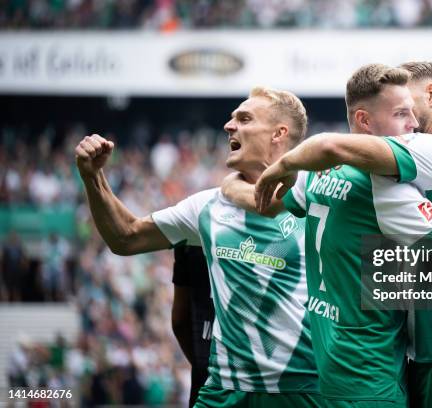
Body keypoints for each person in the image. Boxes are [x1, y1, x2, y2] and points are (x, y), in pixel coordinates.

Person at [224, 64, 432, 408]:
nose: (412, 123)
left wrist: (241, 182)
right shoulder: (384, 186)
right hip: (397, 370)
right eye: (402, 113)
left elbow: (275, 194)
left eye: (411, 111)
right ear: (365, 120)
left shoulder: (326, 174)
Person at [75, 87, 321, 408]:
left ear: (279, 134)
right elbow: (126, 236)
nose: (229, 126)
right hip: (225, 390)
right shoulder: (209, 206)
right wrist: (93, 177)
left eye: (244, 119)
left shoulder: (321, 196)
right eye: (232, 119)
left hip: (305, 387)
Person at [171, 245, 215, 407]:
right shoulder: (276, 234)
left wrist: (201, 360)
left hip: (206, 384)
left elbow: (179, 320)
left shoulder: (190, 235)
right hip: (257, 382)